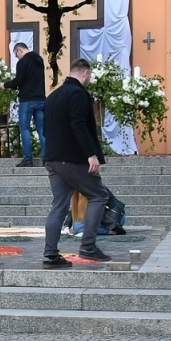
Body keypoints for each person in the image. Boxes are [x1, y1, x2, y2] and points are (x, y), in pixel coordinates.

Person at [42, 58, 114, 267]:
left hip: (53, 158)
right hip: (73, 158)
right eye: (89, 76)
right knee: (99, 195)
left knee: (59, 206)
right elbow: (78, 125)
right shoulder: (78, 93)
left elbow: (45, 129)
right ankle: (88, 246)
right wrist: (90, 154)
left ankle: (50, 254)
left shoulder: (53, 96)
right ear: (85, 73)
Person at [4, 41, 47, 166]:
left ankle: (28, 159)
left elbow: (19, 80)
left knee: (25, 129)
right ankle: (46, 158)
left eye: (16, 54)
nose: (17, 57)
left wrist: (5, 85)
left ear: (20, 50)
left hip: (27, 100)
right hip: (41, 99)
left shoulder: (23, 62)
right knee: (42, 130)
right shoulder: (39, 60)